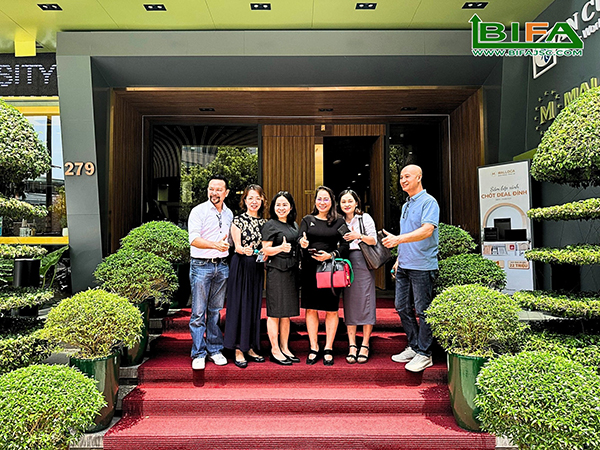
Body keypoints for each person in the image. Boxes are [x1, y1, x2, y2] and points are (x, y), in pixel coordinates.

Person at [382, 164, 439, 373]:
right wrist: (399, 258)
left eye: (407, 176)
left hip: (422, 266)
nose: (403, 180)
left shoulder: (429, 202)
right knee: (401, 307)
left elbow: (427, 230)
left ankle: (425, 353)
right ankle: (414, 346)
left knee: (423, 310)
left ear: (419, 177)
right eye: (401, 177)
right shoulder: (406, 205)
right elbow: (408, 234)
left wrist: (398, 239)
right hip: (405, 265)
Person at [299, 186, 349, 366]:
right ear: (315, 201)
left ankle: (328, 347)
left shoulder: (339, 221)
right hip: (310, 269)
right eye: (319, 199)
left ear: (332, 201)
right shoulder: (307, 220)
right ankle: (314, 347)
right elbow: (299, 239)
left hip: (330, 270)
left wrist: (331, 255)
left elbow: (346, 244)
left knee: (331, 309)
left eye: (326, 199)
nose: (322, 202)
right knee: (311, 309)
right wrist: (302, 243)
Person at [188, 175, 233, 370]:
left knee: (215, 311)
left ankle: (215, 349)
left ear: (226, 193)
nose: (214, 193)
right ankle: (198, 353)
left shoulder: (229, 214)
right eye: (211, 189)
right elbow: (193, 239)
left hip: (221, 266)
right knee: (198, 312)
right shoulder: (198, 211)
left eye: (218, 189)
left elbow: (229, 240)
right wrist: (215, 245)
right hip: (201, 265)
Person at [223, 185, 268, 369]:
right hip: (241, 265)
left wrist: (265, 253)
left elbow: (265, 247)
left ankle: (249, 346)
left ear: (262, 201)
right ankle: (237, 349)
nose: (254, 202)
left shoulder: (265, 223)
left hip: (256, 268)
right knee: (239, 305)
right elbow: (237, 247)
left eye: (257, 198)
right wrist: (244, 250)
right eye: (250, 198)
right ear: (245, 201)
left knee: (253, 306)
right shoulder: (238, 220)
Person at [261, 191, 300, 366]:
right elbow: (265, 250)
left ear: (290, 207)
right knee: (275, 313)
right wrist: (280, 248)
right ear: (273, 207)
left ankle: (285, 347)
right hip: (276, 271)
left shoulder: (294, 225)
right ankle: (275, 349)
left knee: (286, 314)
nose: (281, 208)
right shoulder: (270, 225)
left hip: (291, 271)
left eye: (285, 205)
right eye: (278, 205)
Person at [338, 189, 377, 364]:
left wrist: (358, 236)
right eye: (343, 201)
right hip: (345, 262)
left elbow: (374, 240)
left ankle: (365, 344)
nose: (347, 204)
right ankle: (352, 344)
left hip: (362, 261)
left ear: (356, 203)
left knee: (367, 301)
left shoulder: (364, 218)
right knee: (350, 303)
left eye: (350, 201)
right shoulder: (338, 221)